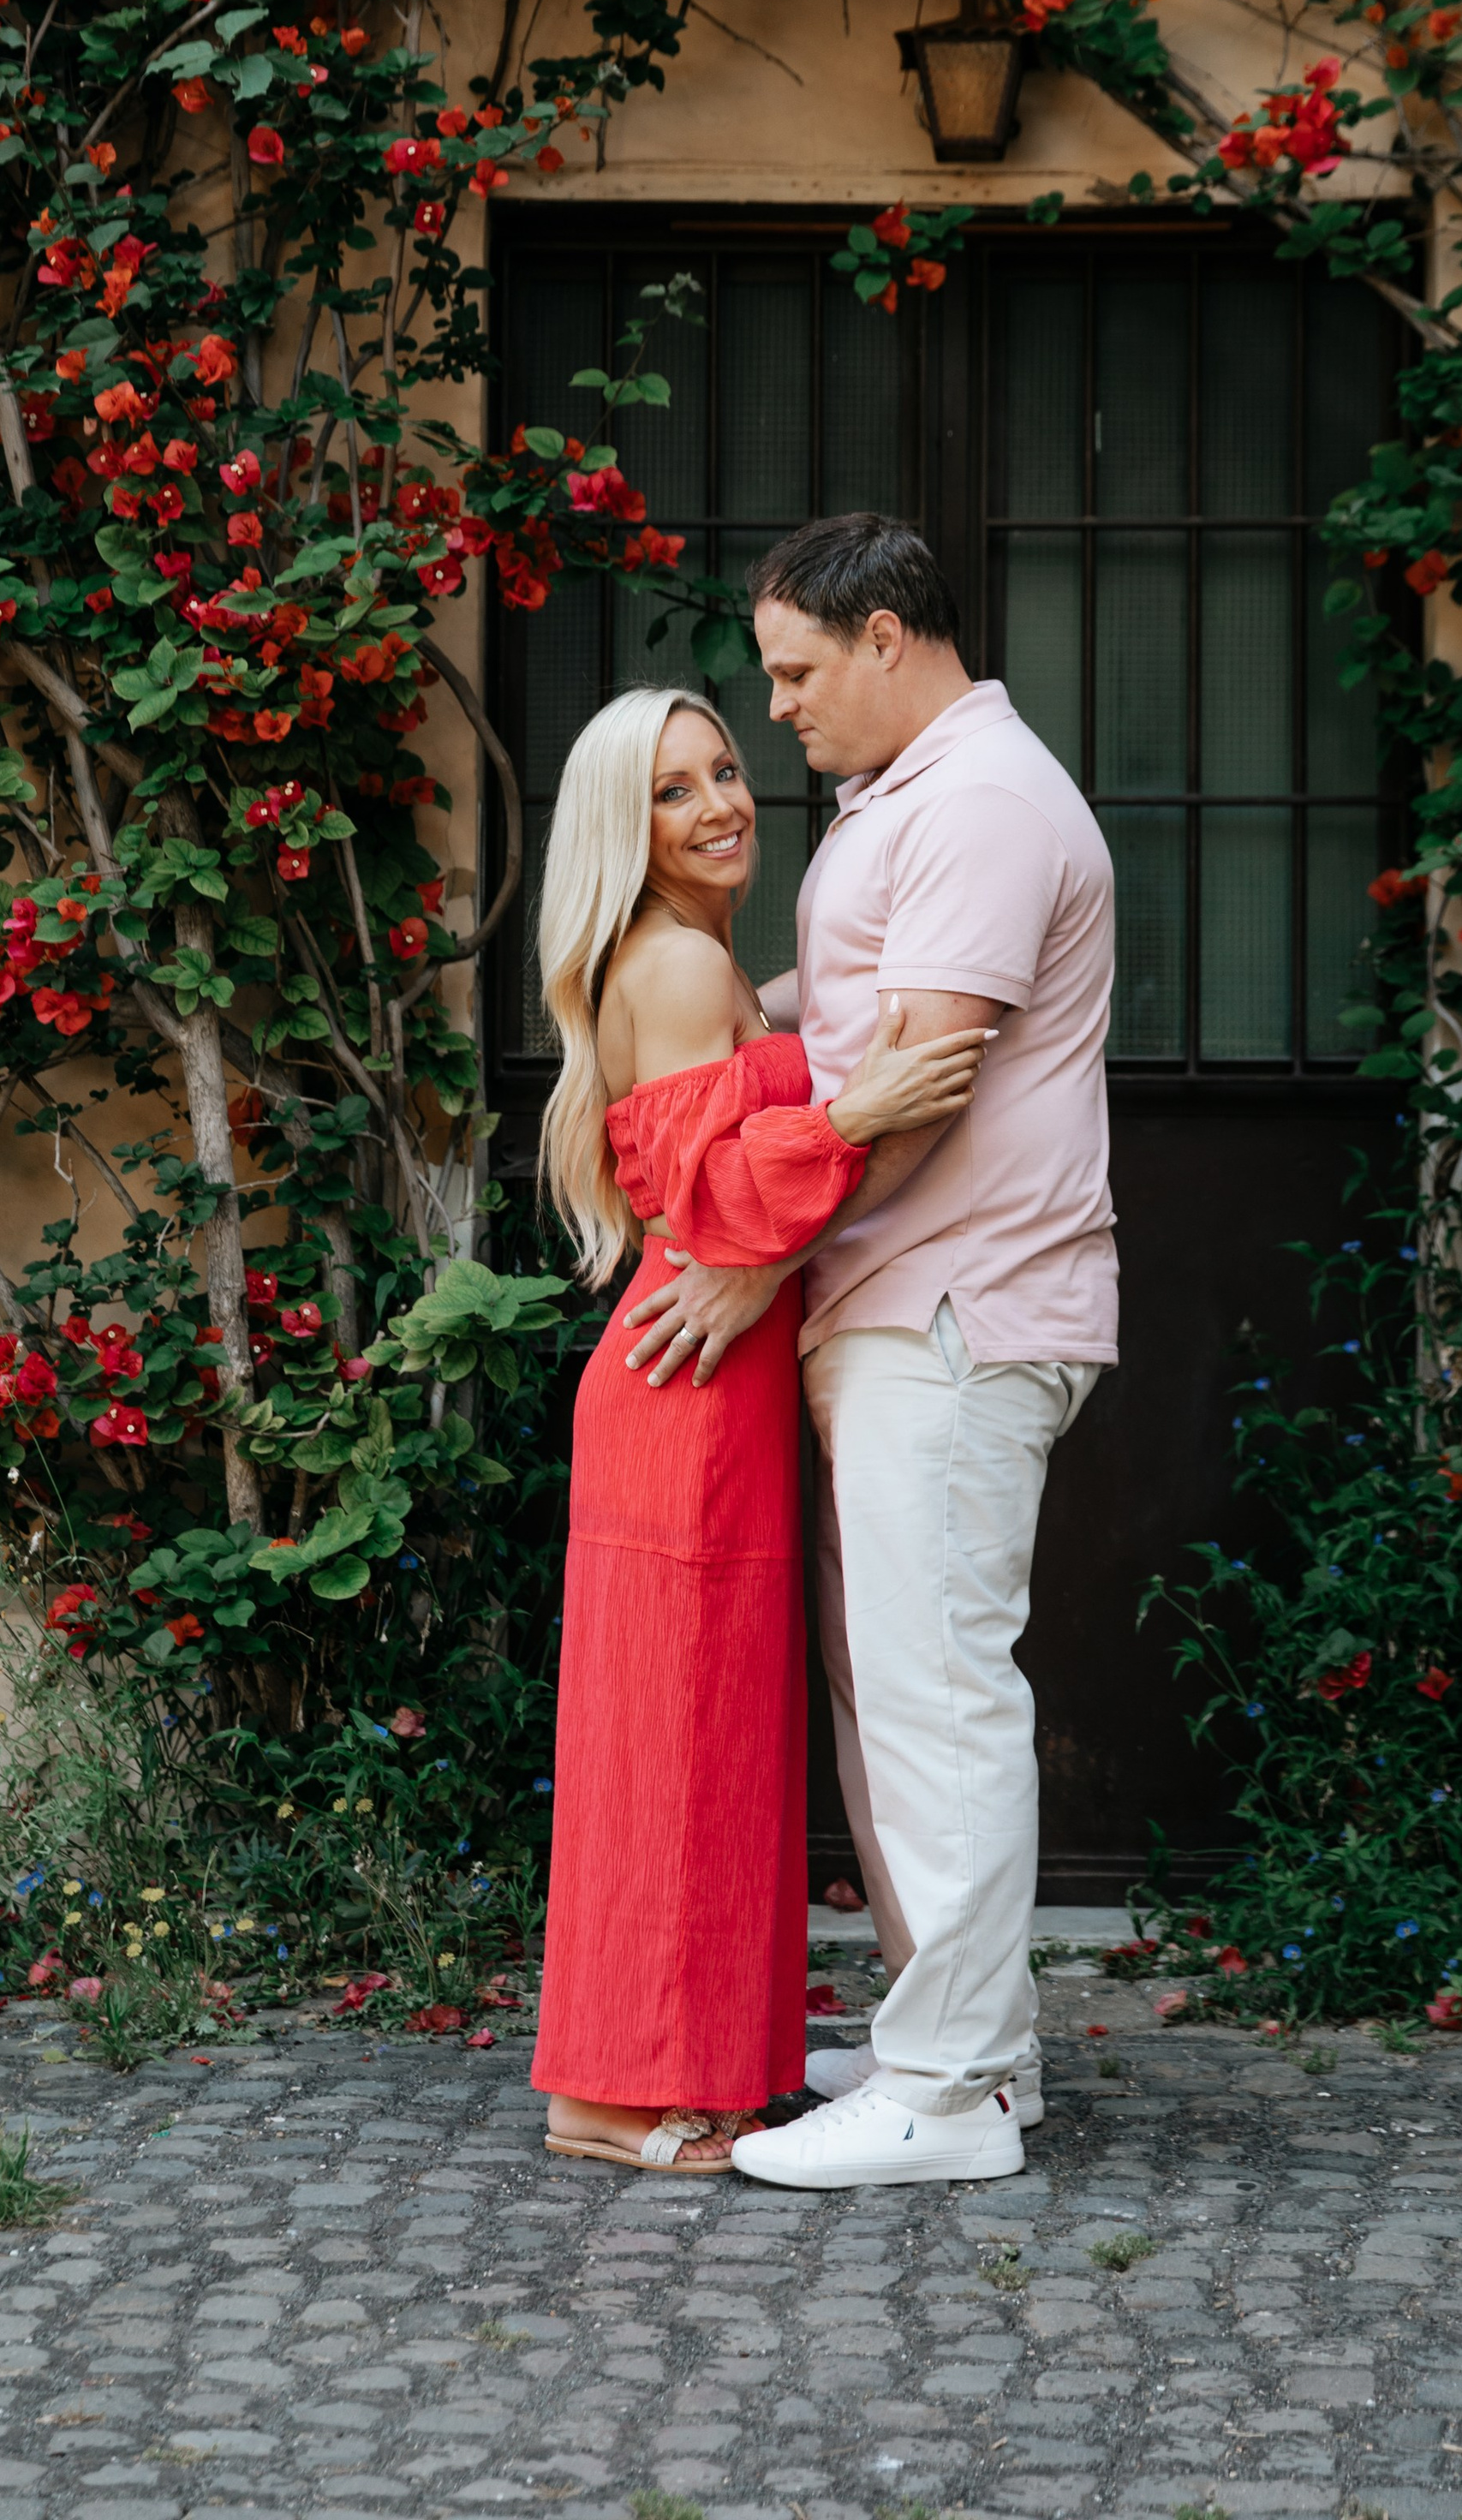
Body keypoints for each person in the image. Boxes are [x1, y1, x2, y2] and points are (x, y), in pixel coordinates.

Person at [618, 515, 1118, 2190]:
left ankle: (951, 2093)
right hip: (901, 1308)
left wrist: (753, 1268)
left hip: (954, 1306)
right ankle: (961, 2044)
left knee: (936, 1699)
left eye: (795, 671)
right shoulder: (915, 793)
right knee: (888, 1691)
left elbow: (923, 1085)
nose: (776, 711)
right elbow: (856, 1025)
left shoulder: (977, 804)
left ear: (886, 637)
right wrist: (699, 1007)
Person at [526, 682, 991, 2171]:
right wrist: (859, 1111)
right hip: (687, 1384)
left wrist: (836, 1007)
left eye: (725, 769)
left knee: (705, 1730)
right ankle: (611, 2102)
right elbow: (714, 1196)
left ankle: (685, 2064)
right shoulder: (671, 965)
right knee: (673, 1739)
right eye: (674, 791)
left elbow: (741, 1071)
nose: (721, 803)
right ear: (626, 826)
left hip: (708, 1382)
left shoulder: (698, 960)